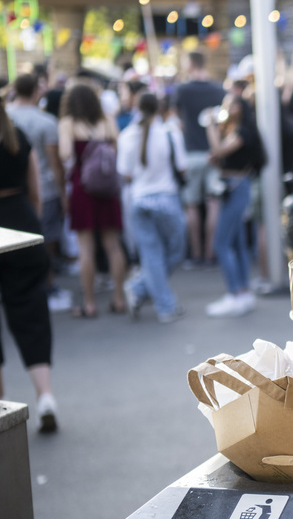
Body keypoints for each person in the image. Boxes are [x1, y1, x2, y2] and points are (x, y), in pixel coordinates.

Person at [0, 76, 58, 430]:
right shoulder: (13, 132)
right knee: (31, 311)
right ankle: (45, 395)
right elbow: (35, 191)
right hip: (20, 226)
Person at [58, 81, 127, 318]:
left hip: (82, 188)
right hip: (107, 188)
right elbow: (117, 149)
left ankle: (89, 304)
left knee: (85, 248)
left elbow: (65, 153)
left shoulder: (67, 123)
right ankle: (119, 298)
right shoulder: (107, 120)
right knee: (113, 245)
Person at [117, 92, 187, 323]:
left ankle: (140, 288)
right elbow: (183, 168)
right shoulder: (170, 133)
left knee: (151, 255)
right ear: (159, 108)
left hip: (138, 199)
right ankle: (163, 304)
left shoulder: (127, 136)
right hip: (166, 198)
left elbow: (125, 173)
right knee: (173, 251)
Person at [5, 74, 66, 302]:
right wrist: (63, 194)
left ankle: (20, 288)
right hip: (44, 189)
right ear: (35, 92)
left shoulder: (4, 118)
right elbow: (55, 165)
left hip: (13, 190)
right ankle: (47, 285)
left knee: (17, 243)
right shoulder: (46, 121)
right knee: (45, 241)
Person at [204, 93, 264, 317]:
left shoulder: (242, 132)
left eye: (232, 104)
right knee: (237, 242)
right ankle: (242, 291)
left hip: (236, 187)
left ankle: (235, 293)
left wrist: (210, 125)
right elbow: (220, 155)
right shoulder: (232, 130)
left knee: (221, 242)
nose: (228, 107)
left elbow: (219, 150)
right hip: (232, 185)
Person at [175, 52, 227, 267]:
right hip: (213, 153)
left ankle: (196, 255)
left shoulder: (182, 90)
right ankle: (210, 253)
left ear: (190, 63)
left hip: (191, 153)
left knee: (192, 206)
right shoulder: (218, 90)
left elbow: (177, 121)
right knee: (214, 204)